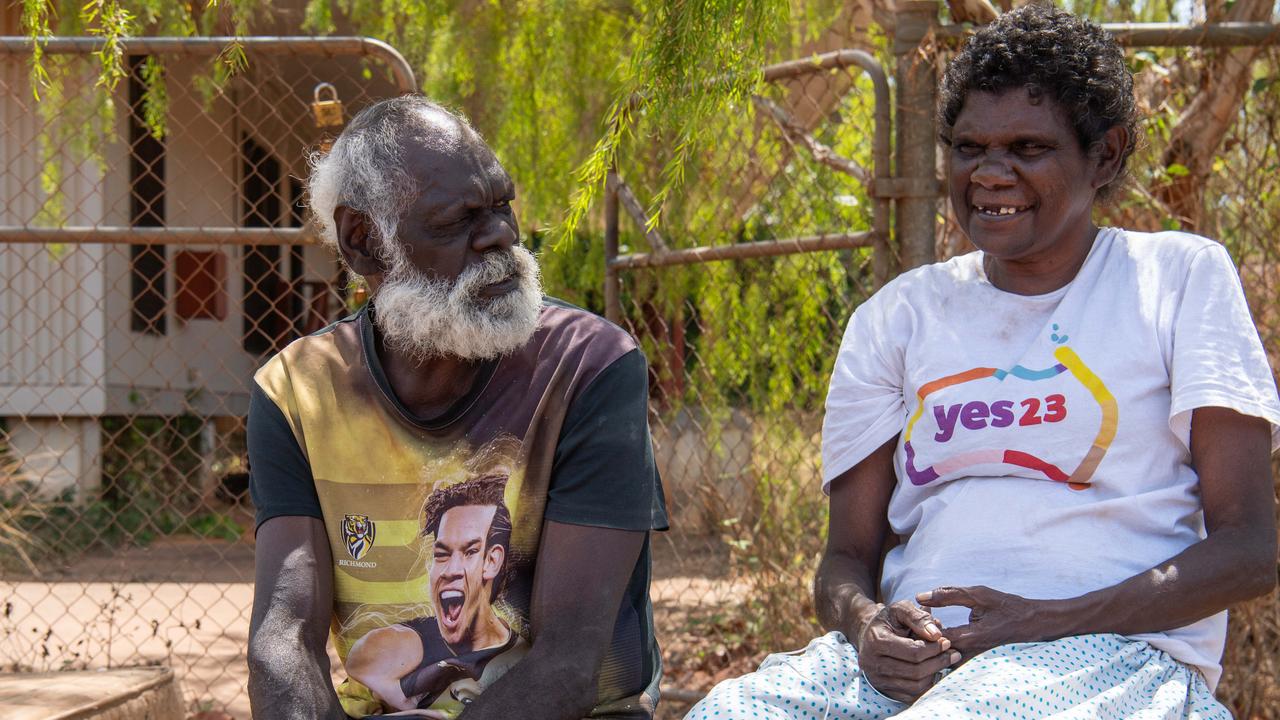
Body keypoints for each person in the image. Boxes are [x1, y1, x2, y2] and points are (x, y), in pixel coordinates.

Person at [688, 5, 1279, 718]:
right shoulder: (896, 318)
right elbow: (845, 561)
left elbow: (1249, 548)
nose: (990, 174)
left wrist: (1048, 619)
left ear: (1107, 155)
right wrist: (869, 626)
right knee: (728, 712)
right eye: (969, 148)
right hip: (922, 665)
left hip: (1118, 655)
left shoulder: (1177, 280)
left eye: (1027, 148)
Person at [246, 96, 669, 720]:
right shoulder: (297, 392)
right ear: (364, 243)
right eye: (457, 220)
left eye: (503, 206)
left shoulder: (589, 367)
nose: (500, 235)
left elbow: (573, 662)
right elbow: (283, 636)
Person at [345, 474, 527, 713]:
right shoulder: (410, 644)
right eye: (442, 554)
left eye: (470, 551)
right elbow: (358, 661)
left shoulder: (522, 652)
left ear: (492, 561)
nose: (450, 571)